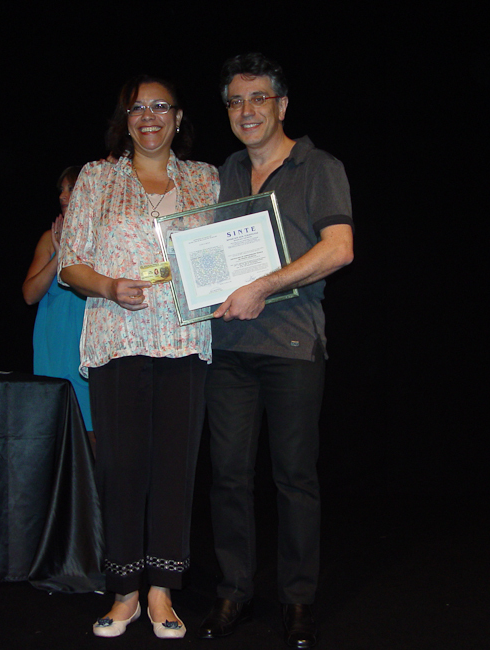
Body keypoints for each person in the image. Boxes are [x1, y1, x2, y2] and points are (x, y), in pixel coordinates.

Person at [198, 53, 354, 649]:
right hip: (228, 347)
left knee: (294, 478)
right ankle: (233, 591)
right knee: (228, 477)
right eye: (236, 101)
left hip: (292, 345)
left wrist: (263, 286)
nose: (247, 110)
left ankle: (297, 599)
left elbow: (339, 248)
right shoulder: (224, 172)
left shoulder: (320, 166)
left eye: (259, 98)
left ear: (282, 105)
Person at [57, 74, 219, 639]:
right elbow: (69, 263)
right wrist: (107, 286)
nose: (149, 116)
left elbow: (227, 254)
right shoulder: (97, 178)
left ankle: (162, 590)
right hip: (118, 339)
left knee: (175, 467)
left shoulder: (206, 179)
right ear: (124, 120)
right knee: (121, 468)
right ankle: (124, 589)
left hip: (184, 340)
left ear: (179, 117)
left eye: (160, 106)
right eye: (137, 108)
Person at [22, 165, 94, 439]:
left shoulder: (102, 235)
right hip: (55, 348)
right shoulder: (48, 238)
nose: (63, 196)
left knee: (92, 437)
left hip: (88, 347)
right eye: (61, 190)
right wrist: (59, 255)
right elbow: (30, 295)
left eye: (71, 188)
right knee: (57, 434)